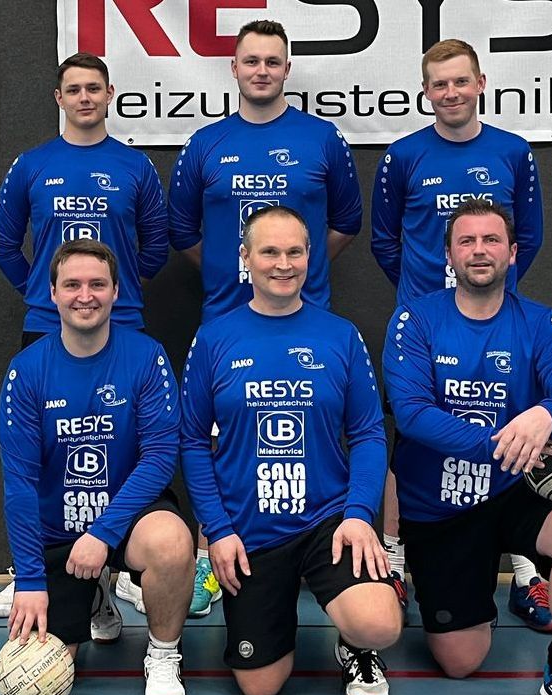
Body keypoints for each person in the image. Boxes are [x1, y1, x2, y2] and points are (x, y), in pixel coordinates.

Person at [383, 199, 552, 695]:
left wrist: (546, 414)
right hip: (441, 506)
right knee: (460, 660)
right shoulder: (416, 320)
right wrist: (504, 442)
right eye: (466, 241)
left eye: (491, 240)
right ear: (448, 255)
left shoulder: (539, 323)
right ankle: (473, 594)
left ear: (513, 253)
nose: (479, 251)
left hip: (515, 492)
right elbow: (413, 414)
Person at [169, 19, 362, 617]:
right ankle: (212, 555)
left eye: (272, 61)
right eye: (250, 60)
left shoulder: (322, 138)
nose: (261, 70)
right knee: (215, 436)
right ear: (233, 68)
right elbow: (181, 231)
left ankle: (318, 552)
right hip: (224, 317)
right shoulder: (206, 143)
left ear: (286, 69)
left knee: (314, 427)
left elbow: (346, 223)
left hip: (308, 317)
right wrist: (238, 274)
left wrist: (289, 272)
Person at [180, 206, 401, 695]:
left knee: (380, 624)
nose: (283, 264)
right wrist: (218, 530)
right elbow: (191, 442)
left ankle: (355, 644)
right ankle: (274, 619)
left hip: (328, 522)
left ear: (309, 257)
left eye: (295, 252)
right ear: (245, 257)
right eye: (270, 252)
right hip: (249, 531)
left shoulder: (340, 335)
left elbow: (368, 433)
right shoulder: (214, 338)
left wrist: (359, 515)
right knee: (260, 687)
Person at [0, 52, 169, 631]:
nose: (85, 97)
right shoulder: (32, 165)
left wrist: (114, 292)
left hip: (123, 325)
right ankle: (37, 569)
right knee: (51, 455)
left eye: (94, 88)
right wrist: (48, 294)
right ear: (59, 97)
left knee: (117, 448)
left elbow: (156, 246)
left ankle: (110, 571)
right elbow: (3, 245)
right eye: (74, 89)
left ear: (110, 94)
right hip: (47, 326)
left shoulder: (135, 166)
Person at [371, 39, 547, 629]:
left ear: (481, 83)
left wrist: (488, 291)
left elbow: (529, 237)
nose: (450, 92)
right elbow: (385, 242)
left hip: (497, 320)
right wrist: (429, 302)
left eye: (460, 81)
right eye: (439, 84)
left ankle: (525, 568)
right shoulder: (403, 156)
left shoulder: (513, 151)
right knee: (410, 433)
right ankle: (395, 557)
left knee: (514, 426)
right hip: (424, 325)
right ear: (426, 91)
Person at [0, 240, 193, 695]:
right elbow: (20, 485)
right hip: (60, 533)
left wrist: (103, 533)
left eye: (97, 284)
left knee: (172, 543)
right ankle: (93, 594)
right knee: (41, 678)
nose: (85, 296)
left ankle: (163, 655)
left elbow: (159, 457)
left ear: (116, 291)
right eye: (72, 285)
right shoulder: (27, 371)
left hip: (126, 519)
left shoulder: (146, 356)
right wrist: (30, 581)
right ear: (52, 293)